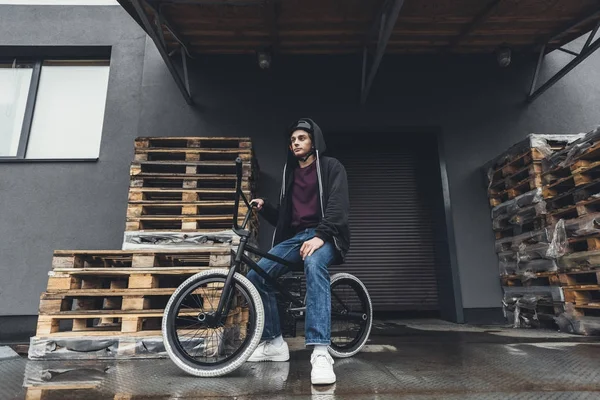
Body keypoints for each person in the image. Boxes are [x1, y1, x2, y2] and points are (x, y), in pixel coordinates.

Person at [247, 118, 350, 385]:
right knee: (256, 275)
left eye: (301, 138)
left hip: (326, 235)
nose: (295, 143)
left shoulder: (331, 167)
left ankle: (320, 351)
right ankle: (274, 342)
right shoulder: (290, 174)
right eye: (293, 140)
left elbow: (338, 207)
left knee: (314, 264)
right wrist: (266, 207)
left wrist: (321, 235)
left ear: (314, 141)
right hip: (298, 237)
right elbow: (286, 216)